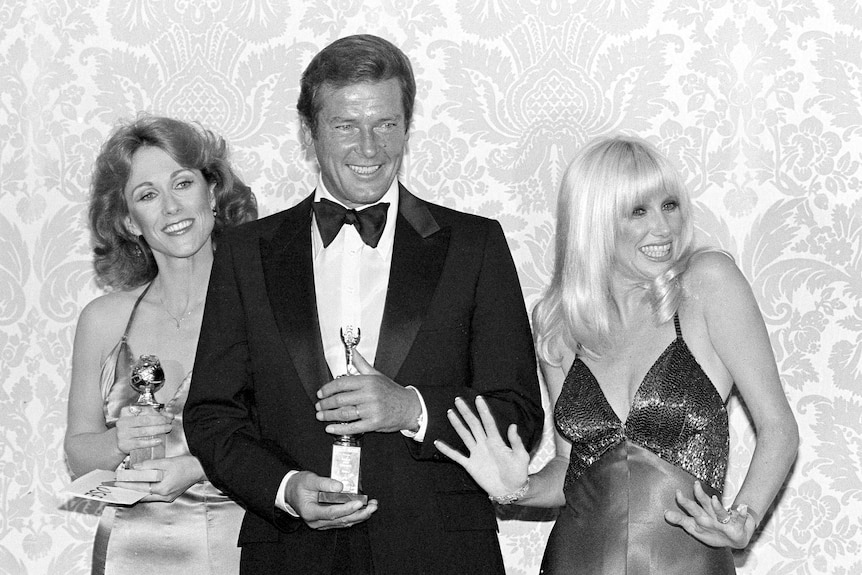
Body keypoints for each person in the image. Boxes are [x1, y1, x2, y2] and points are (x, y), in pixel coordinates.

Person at [183, 34, 544, 575]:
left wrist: (412, 409)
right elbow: (213, 415)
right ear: (310, 134)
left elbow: (517, 414)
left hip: (440, 554)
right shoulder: (244, 252)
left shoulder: (475, 245)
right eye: (346, 126)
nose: (370, 149)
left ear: (407, 125)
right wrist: (285, 487)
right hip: (290, 553)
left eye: (386, 125)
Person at [436, 135, 799, 574]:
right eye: (638, 212)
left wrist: (745, 518)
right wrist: (518, 488)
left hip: (688, 563)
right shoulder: (558, 321)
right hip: (577, 560)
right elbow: (571, 468)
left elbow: (779, 428)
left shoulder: (708, 283)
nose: (663, 229)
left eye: (669, 205)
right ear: (595, 223)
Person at [64, 115, 257, 574]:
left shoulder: (267, 307)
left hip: (249, 546)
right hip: (132, 554)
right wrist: (117, 441)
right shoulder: (103, 320)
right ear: (130, 221)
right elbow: (77, 452)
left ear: (212, 192)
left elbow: (294, 436)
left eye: (183, 183)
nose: (171, 207)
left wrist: (196, 467)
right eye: (148, 195)